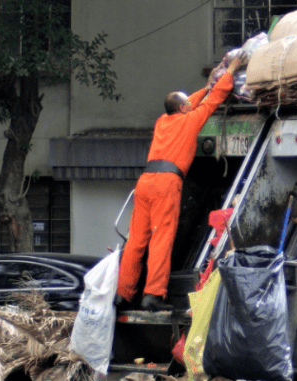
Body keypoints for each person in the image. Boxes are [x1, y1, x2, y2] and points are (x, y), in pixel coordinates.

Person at [115, 55, 246, 311]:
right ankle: (153, 295)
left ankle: (122, 294)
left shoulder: (162, 122)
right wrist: (231, 70)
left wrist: (206, 86)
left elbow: (193, 101)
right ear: (185, 108)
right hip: (166, 183)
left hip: (144, 182)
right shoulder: (191, 120)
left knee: (136, 241)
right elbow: (216, 98)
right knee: (161, 239)